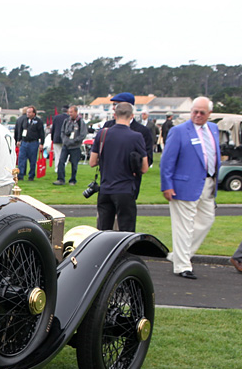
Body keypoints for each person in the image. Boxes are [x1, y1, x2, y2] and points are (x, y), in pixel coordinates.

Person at [160, 97, 220, 279]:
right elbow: (167, 161)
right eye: (195, 111)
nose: (198, 115)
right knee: (183, 226)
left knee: (206, 220)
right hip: (183, 185)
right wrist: (167, 185)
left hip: (207, 183)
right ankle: (182, 265)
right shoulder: (179, 131)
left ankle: (179, 255)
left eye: (202, 112)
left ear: (209, 114)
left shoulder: (213, 129)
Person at [89, 102, 149, 232]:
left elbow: (92, 162)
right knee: (126, 232)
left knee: (103, 232)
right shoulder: (136, 137)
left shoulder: (102, 134)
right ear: (132, 116)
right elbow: (144, 168)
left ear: (114, 115)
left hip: (105, 189)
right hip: (125, 189)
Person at [102, 92, 154, 172]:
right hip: (108, 176)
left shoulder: (143, 131)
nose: (113, 108)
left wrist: (136, 169)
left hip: (130, 178)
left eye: (116, 104)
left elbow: (148, 157)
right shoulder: (108, 126)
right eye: (113, 104)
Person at [54, 106, 88, 185]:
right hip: (66, 145)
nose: (70, 114)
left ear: (76, 112)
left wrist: (74, 141)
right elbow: (62, 131)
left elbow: (83, 134)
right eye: (69, 112)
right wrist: (65, 140)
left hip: (75, 146)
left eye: (72, 112)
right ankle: (60, 179)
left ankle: (73, 180)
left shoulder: (81, 122)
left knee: (74, 164)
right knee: (61, 161)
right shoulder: (66, 121)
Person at [14, 106, 46, 181]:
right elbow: (20, 130)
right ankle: (20, 175)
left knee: (32, 160)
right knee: (21, 159)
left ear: (34, 113)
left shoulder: (38, 121)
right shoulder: (24, 120)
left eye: (29, 112)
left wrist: (42, 143)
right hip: (24, 142)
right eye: (27, 112)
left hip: (33, 143)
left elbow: (41, 133)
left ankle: (31, 176)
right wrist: (18, 140)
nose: (28, 113)